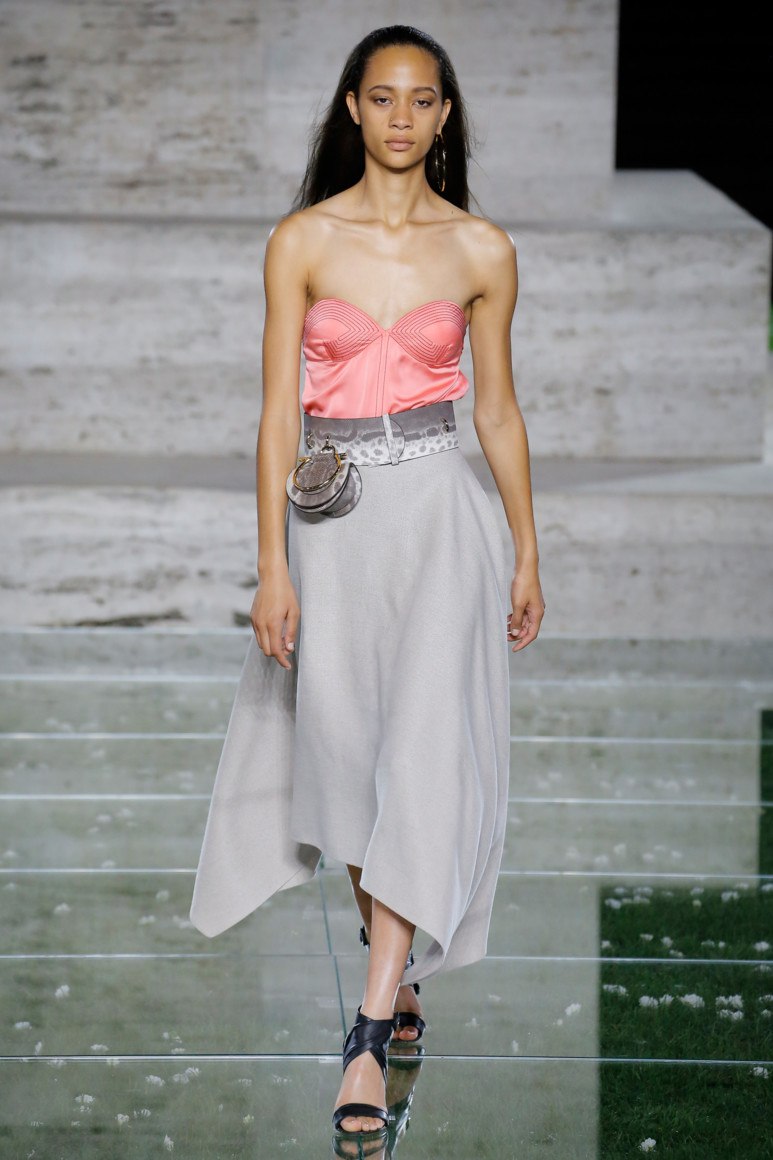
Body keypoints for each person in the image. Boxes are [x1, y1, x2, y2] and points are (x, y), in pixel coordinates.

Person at [189, 23, 545, 1140]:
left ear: (444, 114)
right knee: (345, 760)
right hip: (331, 525)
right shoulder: (302, 239)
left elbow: (496, 410)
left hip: (441, 517)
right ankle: (392, 961)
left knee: (422, 756)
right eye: (381, 97)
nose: (400, 117)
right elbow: (274, 415)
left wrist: (527, 548)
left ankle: (368, 1025)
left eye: (421, 99)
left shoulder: (481, 248)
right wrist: (270, 566)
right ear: (352, 107)